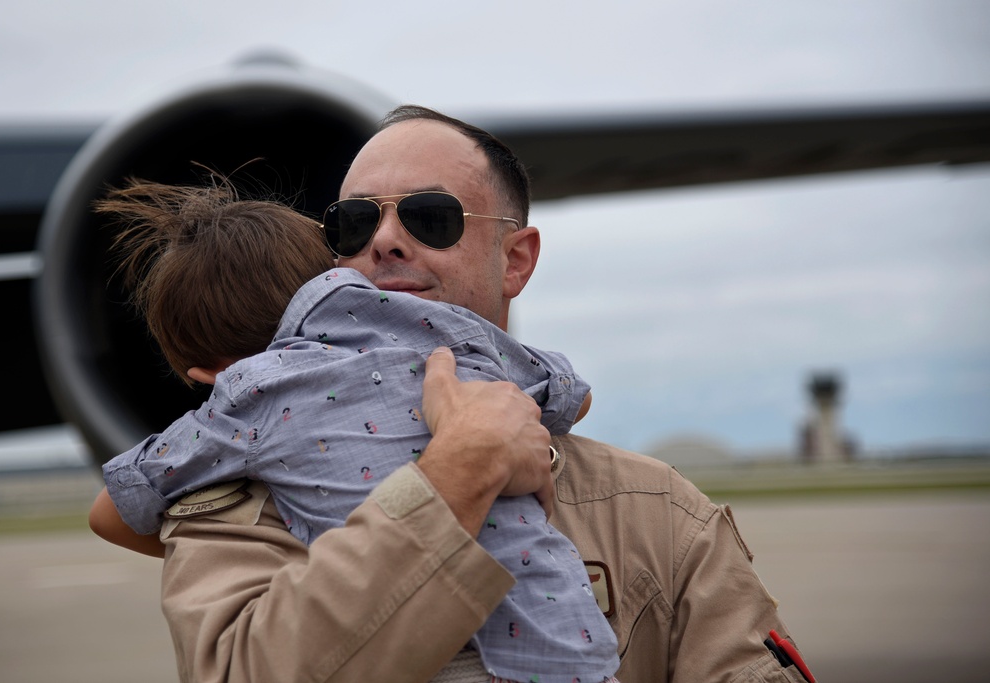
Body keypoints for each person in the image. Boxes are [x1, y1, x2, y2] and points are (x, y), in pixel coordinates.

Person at [156, 106, 815, 683]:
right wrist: (452, 479)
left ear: (516, 259)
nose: (384, 240)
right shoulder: (237, 508)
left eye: (430, 217)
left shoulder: (657, 516)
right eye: (353, 223)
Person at [89, 177, 619, 683]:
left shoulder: (246, 395)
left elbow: (110, 515)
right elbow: (577, 394)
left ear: (207, 376)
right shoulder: (445, 333)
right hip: (580, 636)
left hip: (471, 655)